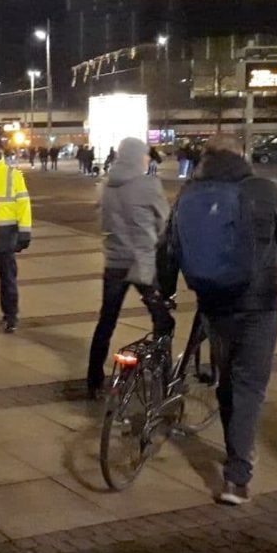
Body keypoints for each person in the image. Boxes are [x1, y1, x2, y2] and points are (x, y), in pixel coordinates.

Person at [160, 134, 277, 506]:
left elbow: (168, 247)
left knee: (227, 379)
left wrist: (166, 293)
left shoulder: (191, 193)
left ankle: (236, 453)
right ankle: (237, 476)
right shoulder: (264, 189)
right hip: (260, 304)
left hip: (215, 304)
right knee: (250, 383)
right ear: (242, 155)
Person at [86, 138, 174, 398]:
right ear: (138, 157)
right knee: (162, 320)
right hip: (142, 264)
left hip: (114, 262)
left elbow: (102, 220)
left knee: (107, 320)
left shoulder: (107, 185)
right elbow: (164, 222)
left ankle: (93, 379)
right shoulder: (148, 184)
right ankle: (163, 374)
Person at [0, 140, 32, 333]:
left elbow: (23, 203)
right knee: (4, 279)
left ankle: (8, 316)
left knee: (1, 279)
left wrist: (25, 231)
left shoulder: (7, 174)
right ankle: (8, 316)